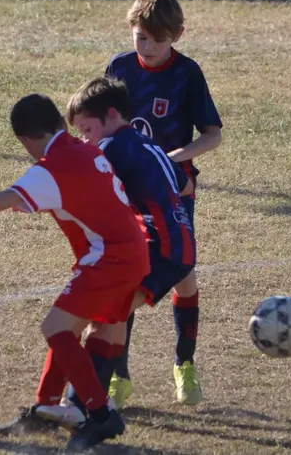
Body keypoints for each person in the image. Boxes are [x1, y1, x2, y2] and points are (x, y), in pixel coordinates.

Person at [0, 93, 148, 451]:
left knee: (55, 328)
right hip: (133, 252)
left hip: (110, 258)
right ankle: (47, 408)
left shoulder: (52, 167)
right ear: (62, 123)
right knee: (86, 328)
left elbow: (9, 197)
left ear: (24, 140)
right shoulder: (85, 150)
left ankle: (101, 415)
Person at [104, 0, 223, 407]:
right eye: (141, 37)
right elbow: (101, 122)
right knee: (128, 275)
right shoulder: (119, 67)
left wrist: (172, 158)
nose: (148, 47)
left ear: (178, 35)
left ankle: (184, 364)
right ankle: (118, 376)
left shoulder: (187, 74)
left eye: (157, 39)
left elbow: (213, 135)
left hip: (175, 188)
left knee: (182, 271)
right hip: (126, 189)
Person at [63, 76, 196, 410]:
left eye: (87, 130)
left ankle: (83, 402)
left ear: (110, 115)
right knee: (113, 311)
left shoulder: (110, 148)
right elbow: (185, 187)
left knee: (98, 314)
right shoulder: (147, 143)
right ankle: (104, 393)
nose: (85, 139)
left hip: (159, 248)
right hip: (178, 242)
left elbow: (84, 191)